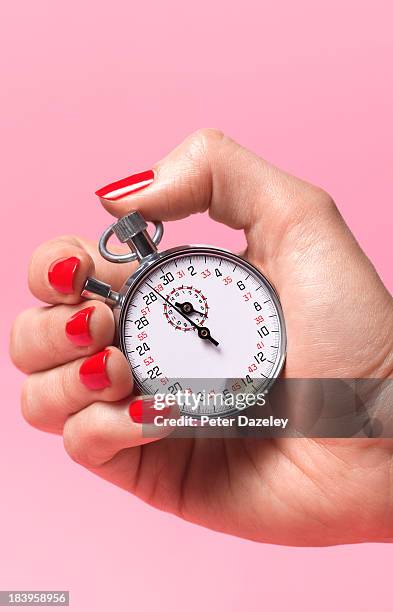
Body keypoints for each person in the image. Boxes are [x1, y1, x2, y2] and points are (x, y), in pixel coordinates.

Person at [9, 129, 393, 546]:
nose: (199, 327)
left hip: (281, 408)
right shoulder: (134, 316)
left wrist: (373, 408)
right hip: (246, 422)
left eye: (195, 317)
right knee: (98, 346)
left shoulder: (230, 280)